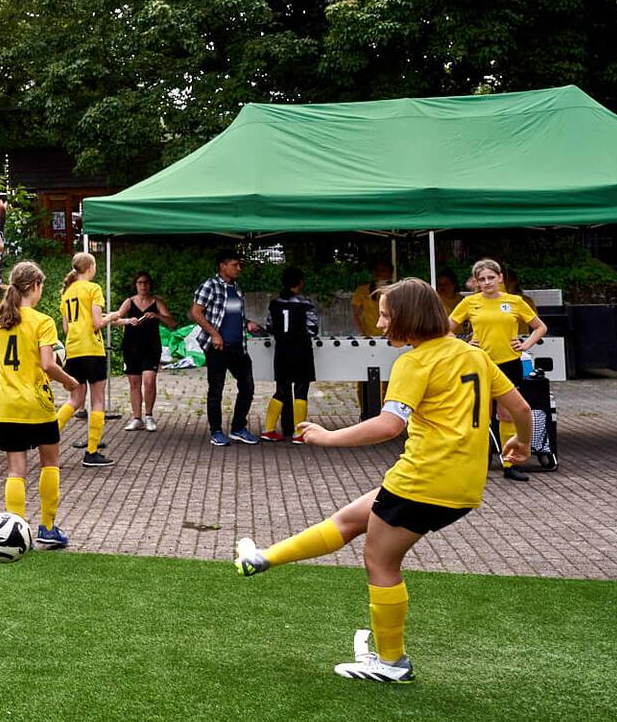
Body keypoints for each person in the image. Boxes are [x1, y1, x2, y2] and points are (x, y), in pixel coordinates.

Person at [233, 278, 532, 683]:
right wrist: (521, 443)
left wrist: (327, 437)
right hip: (460, 485)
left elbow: (390, 424)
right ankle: (263, 558)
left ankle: (392, 663)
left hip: (423, 479)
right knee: (352, 519)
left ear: (409, 318)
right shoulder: (472, 355)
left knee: (380, 561)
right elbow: (519, 408)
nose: (380, 324)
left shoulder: (415, 361)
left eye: (387, 315)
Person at [0, 261, 87, 550]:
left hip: (7, 405)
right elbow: (47, 364)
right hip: (36, 403)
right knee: (50, 464)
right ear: (34, 286)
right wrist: (70, 382)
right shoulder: (43, 322)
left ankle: (16, 533)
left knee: (15, 471)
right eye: (41, 286)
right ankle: (47, 527)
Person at [448, 257, 548, 482]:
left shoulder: (515, 301)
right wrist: (464, 343)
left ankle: (510, 463)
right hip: (480, 362)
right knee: (480, 414)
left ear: (500, 277)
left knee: (506, 414)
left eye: (491, 277)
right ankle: (478, 463)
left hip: (509, 363)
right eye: (482, 279)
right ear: (476, 282)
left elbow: (540, 327)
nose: (487, 282)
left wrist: (525, 345)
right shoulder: (469, 303)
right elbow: (446, 329)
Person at [190, 247, 262, 446]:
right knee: (216, 390)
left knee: (247, 386)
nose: (239, 268)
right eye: (235, 265)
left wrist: (247, 323)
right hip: (218, 348)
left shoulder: (237, 288)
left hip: (239, 346)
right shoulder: (210, 286)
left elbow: (231, 314)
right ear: (222, 266)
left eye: (240, 265)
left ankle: (238, 428)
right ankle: (216, 431)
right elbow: (196, 312)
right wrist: (214, 334)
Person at [59, 252, 112, 467]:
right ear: (90, 268)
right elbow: (97, 322)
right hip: (93, 349)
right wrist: (113, 317)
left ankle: (48, 434)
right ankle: (91, 452)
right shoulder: (94, 289)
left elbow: (65, 327)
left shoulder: (67, 292)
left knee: (74, 400)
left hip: (74, 351)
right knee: (97, 400)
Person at [262, 267, 319, 441]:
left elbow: (270, 327)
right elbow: (313, 329)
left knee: (281, 391)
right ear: (300, 282)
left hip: (281, 352)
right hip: (301, 351)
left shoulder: (274, 303)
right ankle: (299, 433)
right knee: (301, 391)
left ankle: (268, 429)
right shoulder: (306, 304)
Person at [113, 272, 172, 432]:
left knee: (149, 381)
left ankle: (149, 416)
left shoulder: (156, 302)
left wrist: (157, 316)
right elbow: (115, 319)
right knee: (134, 383)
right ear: (136, 285)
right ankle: (137, 418)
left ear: (149, 284)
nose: (143, 286)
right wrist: (128, 321)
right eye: (140, 283)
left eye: (146, 282)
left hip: (151, 347)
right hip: (131, 347)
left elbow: (172, 323)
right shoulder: (129, 302)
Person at [350, 260, 394, 338]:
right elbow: (355, 315)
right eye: (376, 270)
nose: (378, 273)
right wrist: (363, 335)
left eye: (382, 271)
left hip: (392, 336)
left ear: (390, 274)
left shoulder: (396, 290)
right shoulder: (362, 290)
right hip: (369, 337)